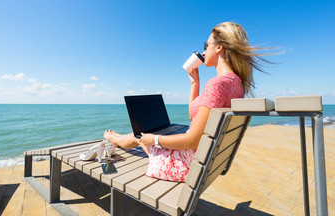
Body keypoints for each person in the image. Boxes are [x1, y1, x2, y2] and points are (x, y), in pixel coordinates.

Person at [104, 22, 269, 181]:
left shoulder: (217, 84)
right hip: (205, 160)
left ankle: (114, 139)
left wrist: (155, 139)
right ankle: (117, 137)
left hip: (185, 165)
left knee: (140, 135)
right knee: (143, 134)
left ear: (219, 47)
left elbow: (192, 141)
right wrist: (195, 83)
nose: (203, 53)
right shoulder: (236, 84)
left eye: (206, 45)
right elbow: (193, 115)